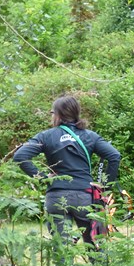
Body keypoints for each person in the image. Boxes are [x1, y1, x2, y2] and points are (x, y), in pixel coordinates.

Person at [14, 95, 121, 247]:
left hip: (56, 195)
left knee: (62, 248)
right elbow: (114, 156)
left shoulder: (46, 136)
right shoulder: (90, 136)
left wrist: (43, 178)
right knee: (95, 246)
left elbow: (20, 156)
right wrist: (105, 186)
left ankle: (63, 263)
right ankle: (97, 263)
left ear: (57, 115)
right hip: (85, 196)